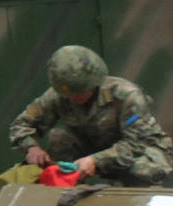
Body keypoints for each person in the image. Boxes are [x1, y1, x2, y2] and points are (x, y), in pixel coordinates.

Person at [9, 45, 173, 187]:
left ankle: (132, 200)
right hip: (94, 149)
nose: (73, 98)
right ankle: (67, 192)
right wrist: (31, 147)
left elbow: (135, 144)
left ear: (94, 82)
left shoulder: (127, 96)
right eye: (69, 94)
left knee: (143, 169)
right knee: (59, 138)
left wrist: (96, 160)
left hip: (139, 150)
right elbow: (21, 125)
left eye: (79, 91)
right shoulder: (58, 96)